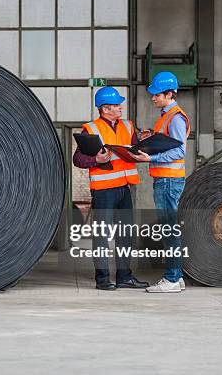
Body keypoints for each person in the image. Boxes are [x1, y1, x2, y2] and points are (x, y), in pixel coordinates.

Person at [73, 86, 149, 291]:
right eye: (116, 105)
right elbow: (78, 159)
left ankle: (125, 276)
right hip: (104, 189)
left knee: (125, 233)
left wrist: (143, 140)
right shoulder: (91, 129)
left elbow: (136, 148)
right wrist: (96, 159)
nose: (120, 108)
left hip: (125, 188)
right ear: (105, 109)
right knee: (102, 234)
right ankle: (103, 278)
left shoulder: (128, 126)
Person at [130, 72, 190, 293]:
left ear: (169, 93)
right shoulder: (166, 115)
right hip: (165, 179)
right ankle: (178, 277)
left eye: (156, 94)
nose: (153, 98)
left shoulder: (175, 117)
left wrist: (150, 158)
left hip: (168, 180)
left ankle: (172, 278)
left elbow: (179, 150)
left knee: (169, 230)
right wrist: (151, 137)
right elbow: (168, 142)